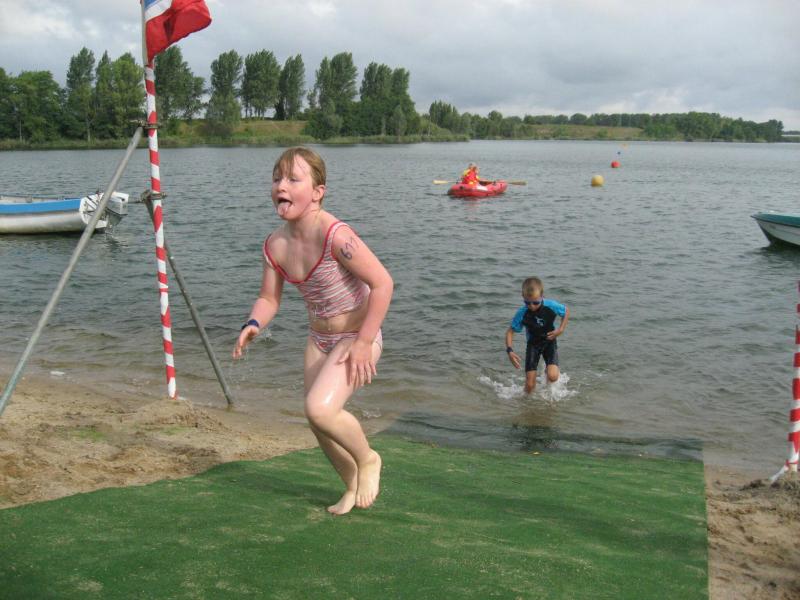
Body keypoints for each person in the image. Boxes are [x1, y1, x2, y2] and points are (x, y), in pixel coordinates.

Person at [233, 147, 393, 516]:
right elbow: (268, 298)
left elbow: (383, 283)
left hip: (357, 335)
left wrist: (364, 342)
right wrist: (253, 324)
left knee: (320, 409)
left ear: (318, 192)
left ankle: (368, 459)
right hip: (319, 340)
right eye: (277, 179)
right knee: (318, 422)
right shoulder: (275, 245)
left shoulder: (336, 235)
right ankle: (351, 485)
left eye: (293, 179)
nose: (281, 186)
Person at [505, 277, 569, 394]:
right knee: (530, 386)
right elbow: (510, 332)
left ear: (542, 296)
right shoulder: (522, 313)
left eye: (535, 302)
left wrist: (560, 329)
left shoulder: (551, 305)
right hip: (533, 345)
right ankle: (524, 401)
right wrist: (510, 351)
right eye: (527, 302)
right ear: (523, 296)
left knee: (553, 377)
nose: (532, 306)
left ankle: (548, 370)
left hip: (549, 342)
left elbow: (566, 311)